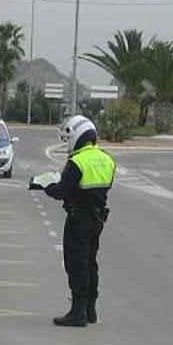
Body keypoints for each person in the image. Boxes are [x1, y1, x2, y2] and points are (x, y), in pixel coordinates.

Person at [44, 115, 115, 327]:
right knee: (91, 262)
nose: (67, 145)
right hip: (97, 219)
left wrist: (45, 186)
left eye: (68, 139)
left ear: (76, 136)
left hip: (78, 218)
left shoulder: (76, 162)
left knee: (76, 263)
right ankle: (91, 309)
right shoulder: (107, 159)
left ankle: (77, 312)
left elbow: (61, 191)